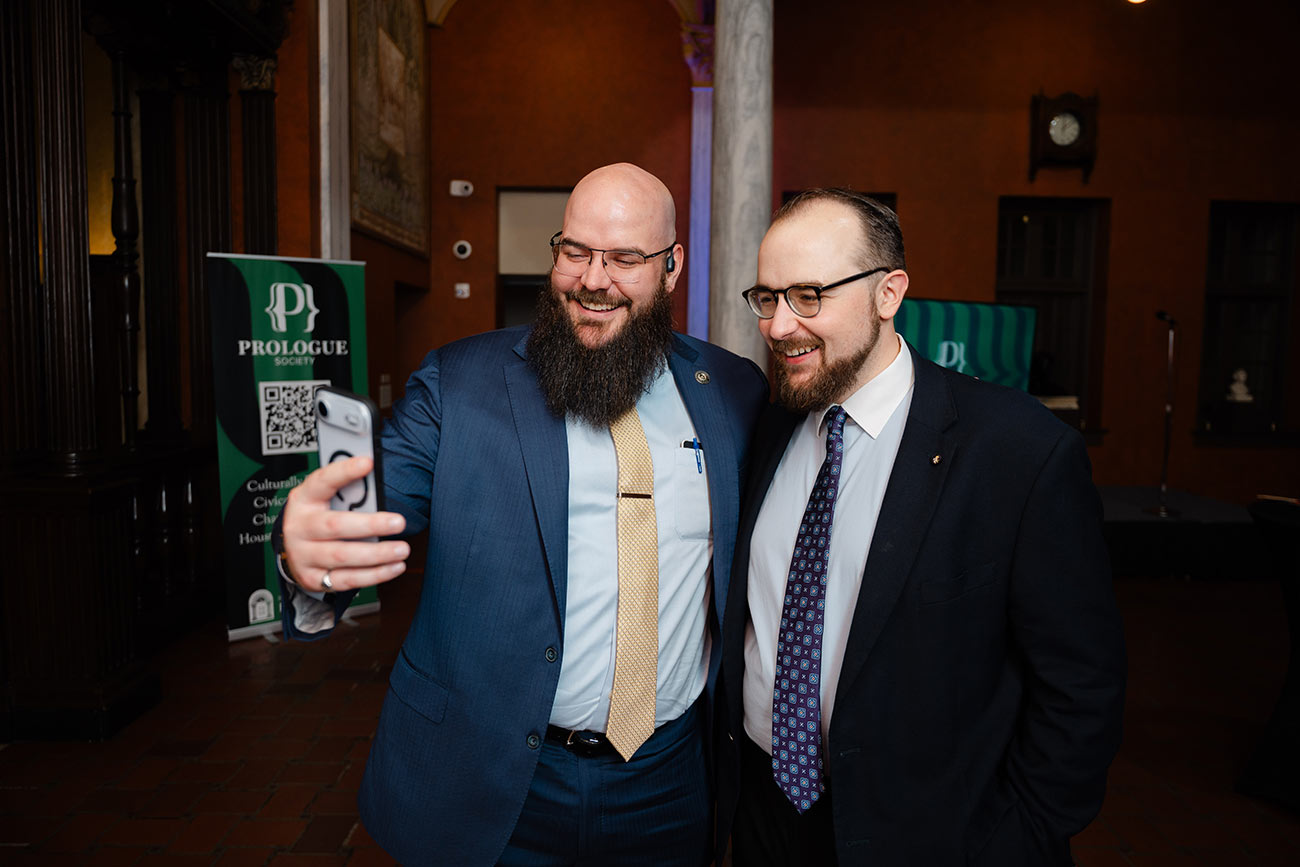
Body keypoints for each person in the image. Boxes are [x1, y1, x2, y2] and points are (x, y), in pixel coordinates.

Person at [275, 163, 768, 865]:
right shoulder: (460, 383)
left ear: (672, 266)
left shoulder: (732, 393)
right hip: (495, 783)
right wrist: (307, 556)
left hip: (667, 783)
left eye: (625, 258)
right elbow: (369, 513)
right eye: (574, 251)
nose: (594, 279)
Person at [716, 188, 1126, 866]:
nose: (780, 325)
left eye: (809, 296)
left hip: (932, 835)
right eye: (767, 297)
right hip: (765, 821)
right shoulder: (766, 426)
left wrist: (1018, 836)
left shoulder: (1017, 452)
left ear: (889, 292)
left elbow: (1082, 687)